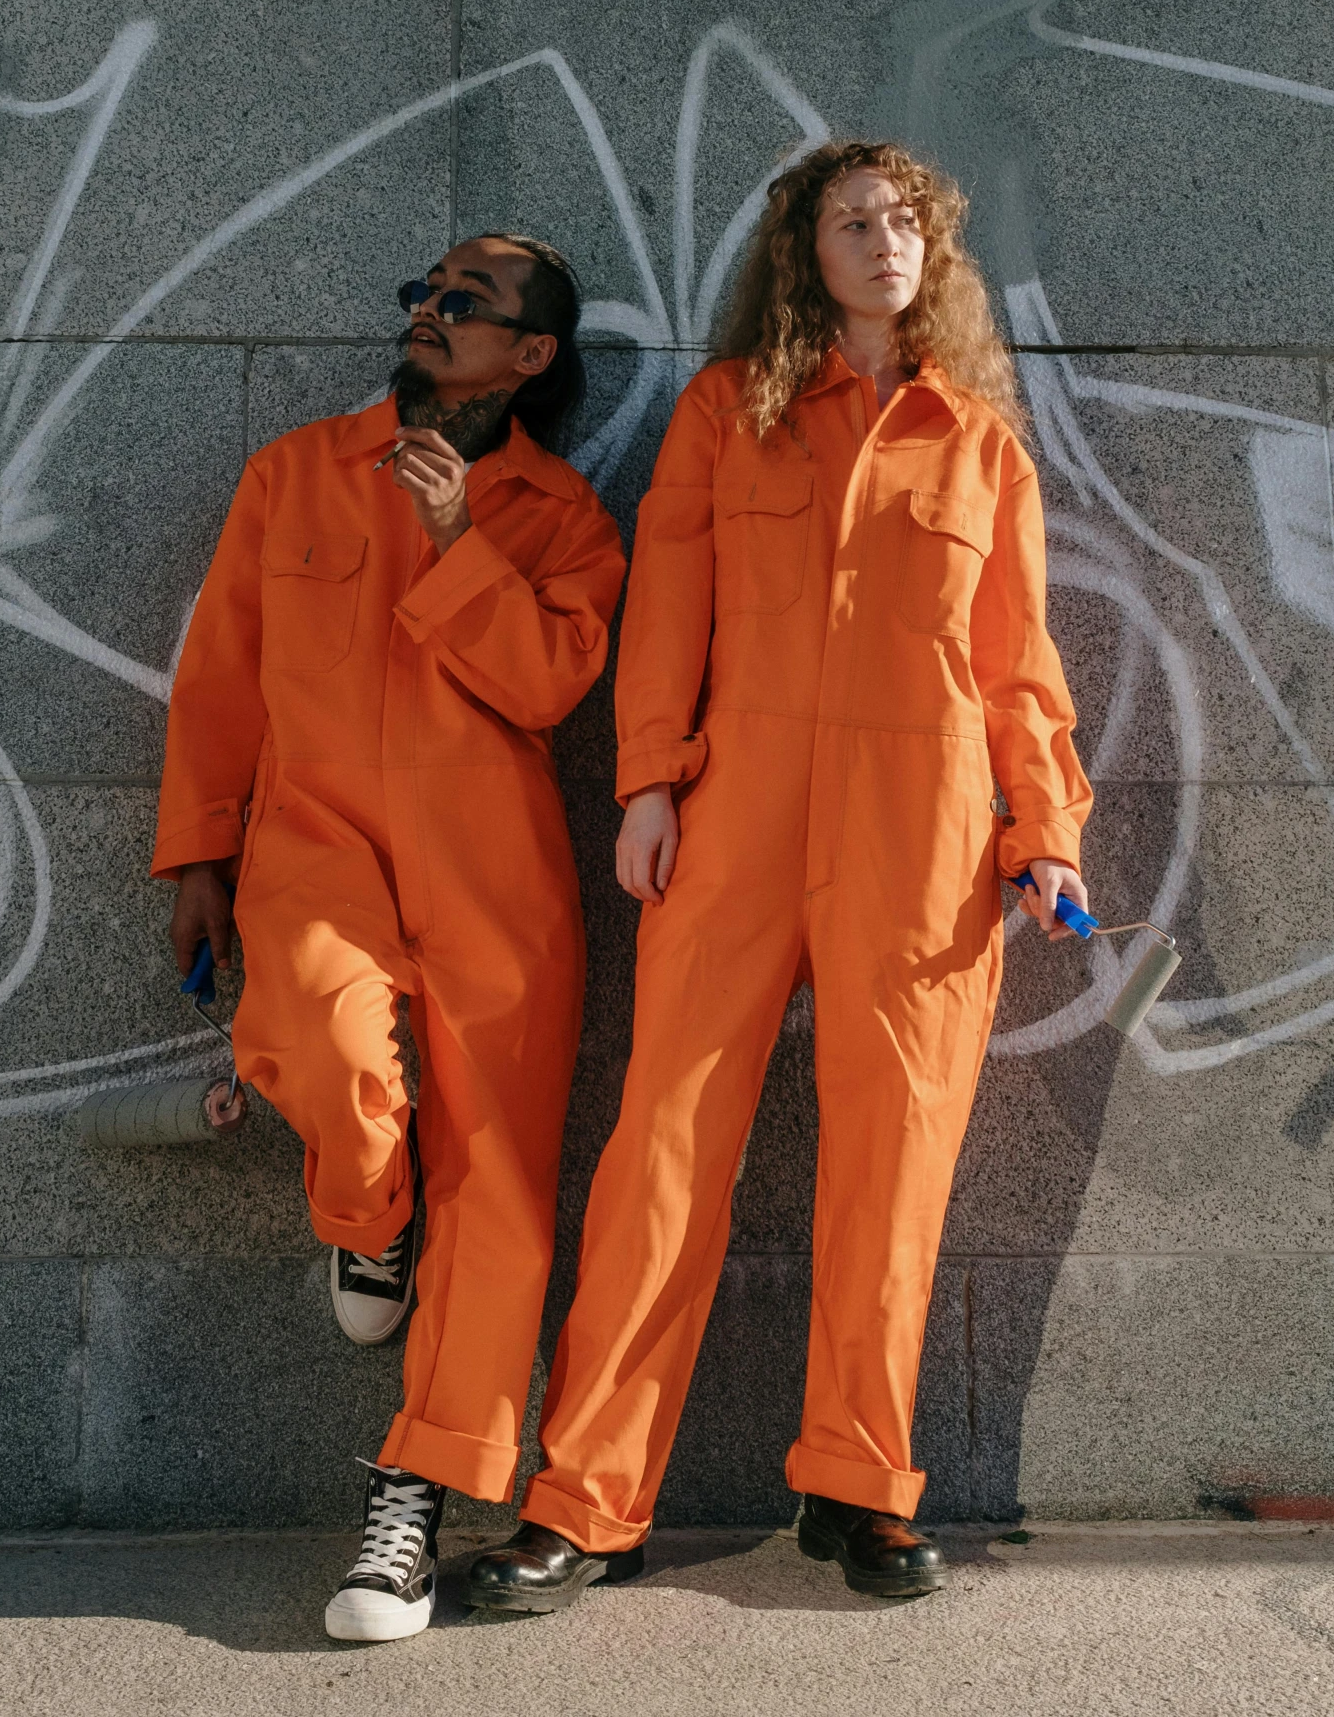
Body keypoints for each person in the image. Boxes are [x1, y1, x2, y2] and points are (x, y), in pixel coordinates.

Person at [468, 143, 1093, 1613]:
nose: (883, 242)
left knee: (895, 1165)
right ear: (801, 253)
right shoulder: (723, 413)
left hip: (923, 831)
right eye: (850, 221)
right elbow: (668, 610)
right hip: (733, 813)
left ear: (935, 251)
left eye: (905, 221)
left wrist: (1042, 827)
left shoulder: (979, 444)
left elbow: (1014, 662)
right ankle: (585, 1501)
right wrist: (642, 785)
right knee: (662, 1149)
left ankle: (860, 1488)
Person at [153, 234, 625, 1644]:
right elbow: (222, 668)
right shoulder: (298, 468)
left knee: (501, 1190)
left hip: (497, 873)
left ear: (529, 356)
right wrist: (197, 852)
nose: (428, 312)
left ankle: (416, 1499)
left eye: (463, 304)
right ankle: (368, 1222)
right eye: (420, 291)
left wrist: (457, 544)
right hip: (315, 847)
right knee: (324, 1042)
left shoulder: (563, 514)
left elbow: (549, 684)